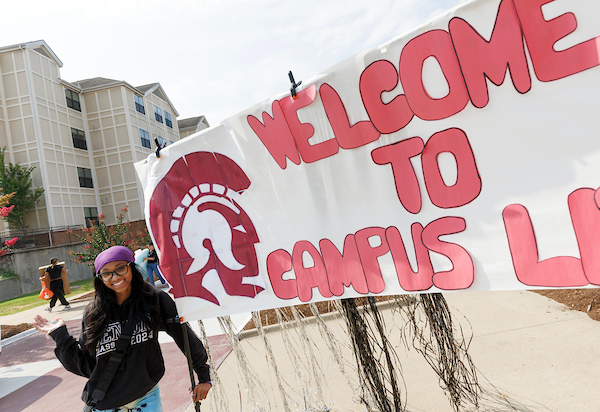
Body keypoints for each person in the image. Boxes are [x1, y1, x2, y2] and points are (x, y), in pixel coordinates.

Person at [33, 246, 211, 411]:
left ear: (131, 267)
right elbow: (87, 366)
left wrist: (203, 375)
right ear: (100, 278)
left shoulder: (154, 300)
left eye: (120, 268)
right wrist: (60, 336)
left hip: (146, 395)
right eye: (106, 273)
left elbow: (184, 336)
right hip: (106, 402)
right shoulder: (93, 313)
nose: (115, 277)